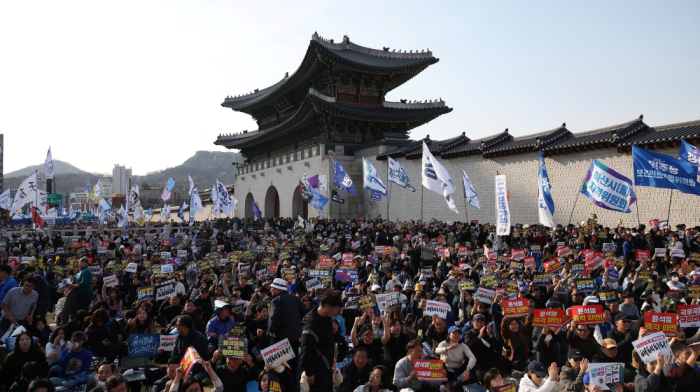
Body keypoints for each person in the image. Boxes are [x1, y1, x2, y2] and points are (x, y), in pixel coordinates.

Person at [300, 291, 342, 392]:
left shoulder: (327, 317)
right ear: (326, 307)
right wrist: (309, 373)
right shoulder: (311, 325)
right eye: (336, 309)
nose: (338, 312)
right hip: (316, 373)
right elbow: (306, 350)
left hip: (327, 369)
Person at [268, 278, 305, 373]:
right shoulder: (296, 299)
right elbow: (305, 314)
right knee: (292, 366)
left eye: (273, 288)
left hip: (280, 338)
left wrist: (272, 331)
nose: (271, 289)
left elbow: (274, 317)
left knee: (279, 367)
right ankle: (291, 386)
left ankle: (281, 386)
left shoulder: (276, 300)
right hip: (294, 338)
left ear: (279, 289)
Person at [164, 315, 211, 381]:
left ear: (184, 327)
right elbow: (174, 355)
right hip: (180, 368)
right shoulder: (179, 338)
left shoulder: (199, 338)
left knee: (191, 381)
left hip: (196, 370)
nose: (175, 327)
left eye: (177, 325)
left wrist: (187, 371)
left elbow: (203, 359)